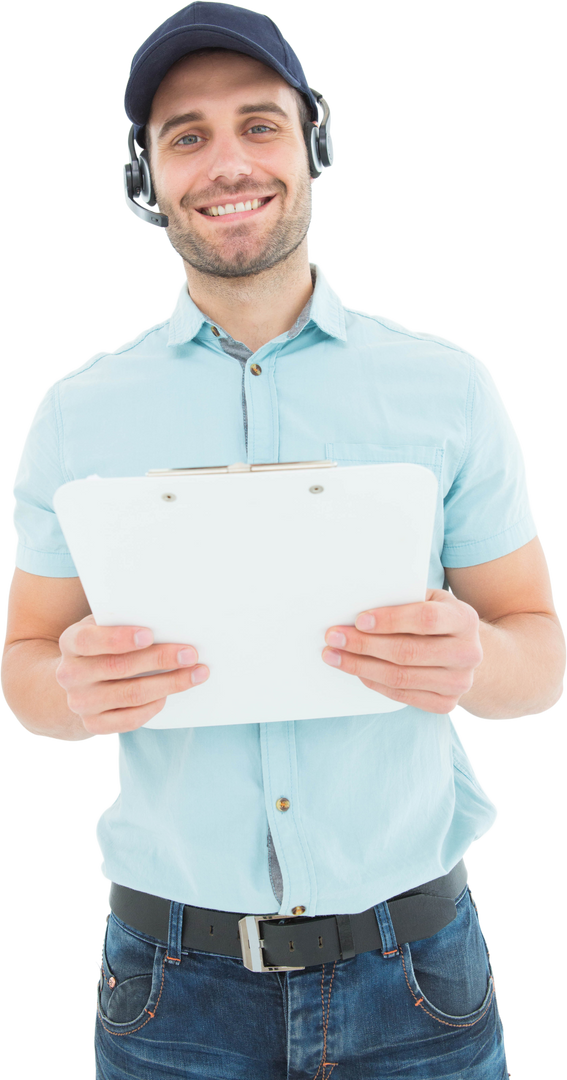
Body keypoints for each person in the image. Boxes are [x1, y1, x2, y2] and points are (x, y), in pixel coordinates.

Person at [2, 5, 564, 1078]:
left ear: (315, 146)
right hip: (169, 988)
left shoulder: (447, 386)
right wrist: (72, 692)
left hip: (419, 976)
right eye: (187, 135)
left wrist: (475, 658)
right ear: (145, 180)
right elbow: (26, 672)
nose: (227, 163)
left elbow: (538, 658)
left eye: (260, 125)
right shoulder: (77, 411)